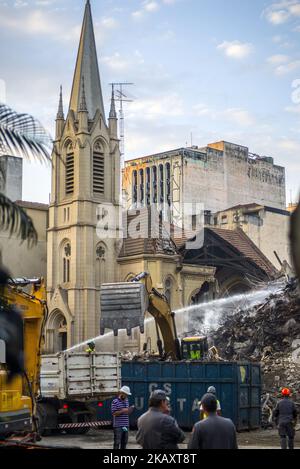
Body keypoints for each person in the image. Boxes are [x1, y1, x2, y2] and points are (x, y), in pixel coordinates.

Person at [111, 386, 135, 450]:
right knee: (117, 442)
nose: (126, 396)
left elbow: (127, 413)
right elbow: (114, 413)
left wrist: (130, 410)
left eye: (127, 395)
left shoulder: (127, 401)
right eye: (126, 394)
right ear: (122, 393)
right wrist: (123, 411)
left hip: (125, 426)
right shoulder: (115, 401)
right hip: (118, 426)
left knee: (124, 442)